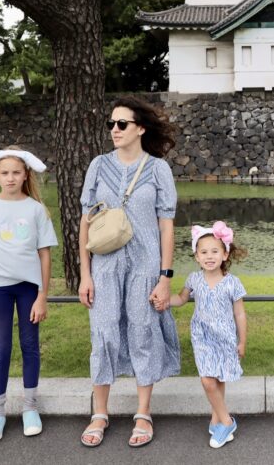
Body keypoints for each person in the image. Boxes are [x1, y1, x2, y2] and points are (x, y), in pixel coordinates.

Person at [78, 96, 181, 448]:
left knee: (142, 332)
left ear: (140, 128)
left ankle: (143, 412)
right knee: (103, 333)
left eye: (122, 124)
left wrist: (165, 277)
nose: (114, 130)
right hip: (105, 267)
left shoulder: (158, 169)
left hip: (145, 266)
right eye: (111, 124)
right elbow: (86, 222)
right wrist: (85, 273)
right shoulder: (97, 166)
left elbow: (166, 226)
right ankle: (100, 412)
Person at [0, 147, 58, 443]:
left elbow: (45, 255)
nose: (10, 178)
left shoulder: (35, 210)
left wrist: (42, 295)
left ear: (25, 175)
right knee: (1, 348)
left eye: (16, 173)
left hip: (28, 288)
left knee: (30, 344)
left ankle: (30, 408)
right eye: (5, 173)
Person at [170, 220, 248, 449]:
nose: (209, 256)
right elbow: (182, 299)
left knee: (219, 377)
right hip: (202, 337)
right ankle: (227, 420)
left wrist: (242, 341)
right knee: (207, 379)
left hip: (224, 338)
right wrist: (165, 301)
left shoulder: (232, 283)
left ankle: (216, 419)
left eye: (215, 251)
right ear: (196, 256)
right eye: (203, 252)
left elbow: (240, 315)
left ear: (225, 254)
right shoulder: (194, 279)